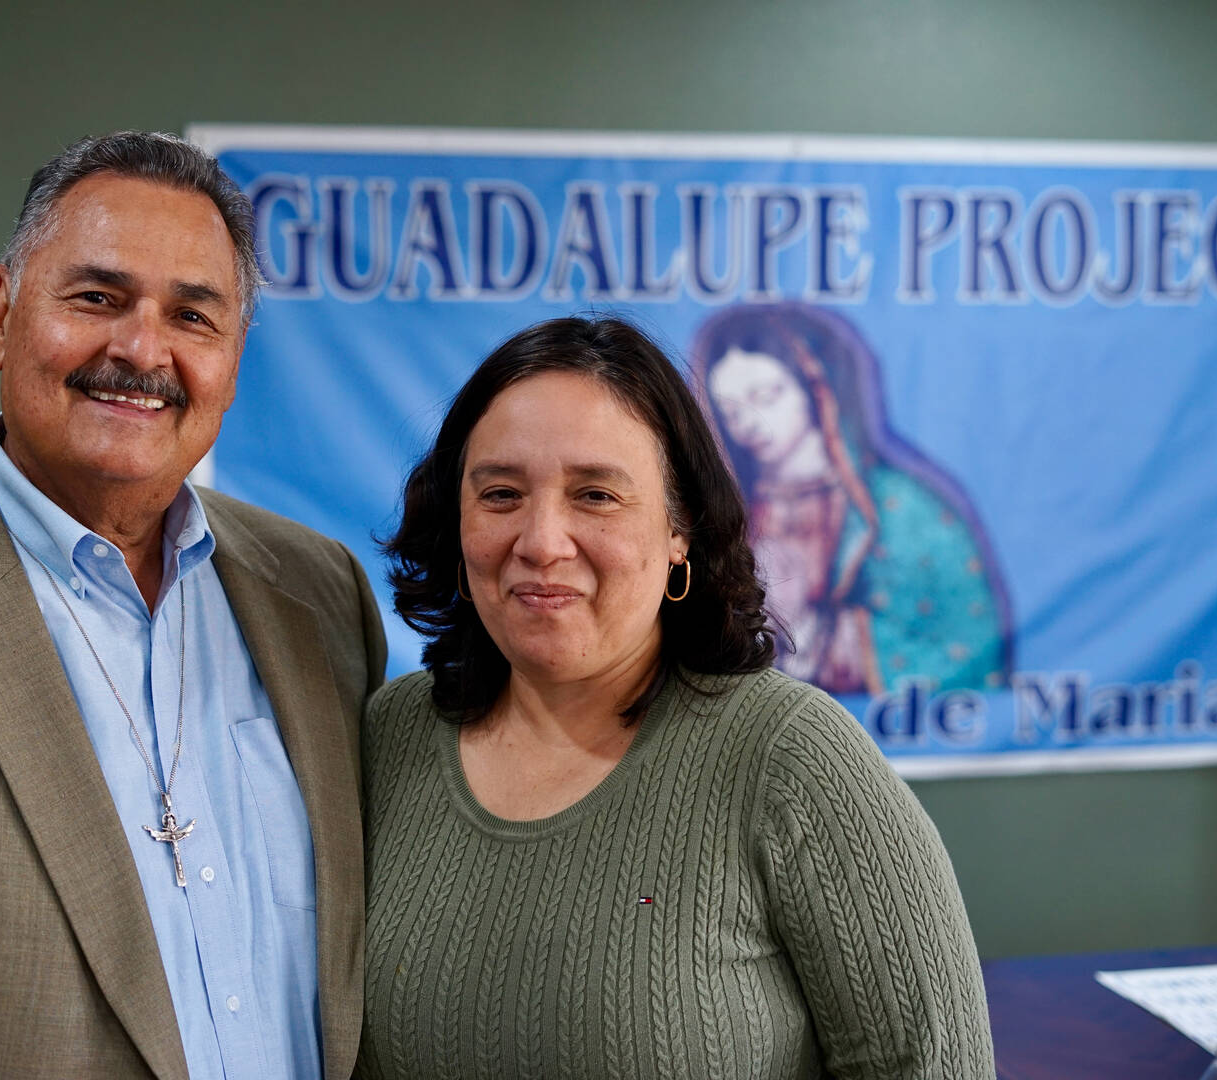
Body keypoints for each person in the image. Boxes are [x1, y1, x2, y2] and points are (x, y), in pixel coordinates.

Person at [0, 132, 385, 1079]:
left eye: (194, 316)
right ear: (1, 314)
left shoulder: (321, 596)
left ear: (233, 359)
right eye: (98, 298)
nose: (142, 349)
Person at [358, 316, 993, 1079]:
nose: (541, 540)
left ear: (679, 531)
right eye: (500, 493)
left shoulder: (794, 758)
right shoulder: (386, 738)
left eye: (595, 494)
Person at [691, 303, 1012, 697]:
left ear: (817, 388)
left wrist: (838, 636)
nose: (750, 423)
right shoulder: (721, 511)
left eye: (766, 395)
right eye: (731, 411)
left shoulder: (902, 508)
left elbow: (970, 642)